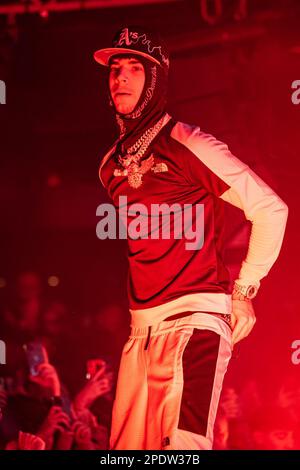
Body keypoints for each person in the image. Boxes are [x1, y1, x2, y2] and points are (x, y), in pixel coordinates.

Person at [93, 26, 288, 450]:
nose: (120, 78)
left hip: (196, 321)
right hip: (139, 330)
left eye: (133, 69)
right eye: (114, 69)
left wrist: (244, 290)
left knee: (182, 450)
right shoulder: (111, 165)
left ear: (155, 79)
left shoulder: (187, 142)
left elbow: (271, 209)